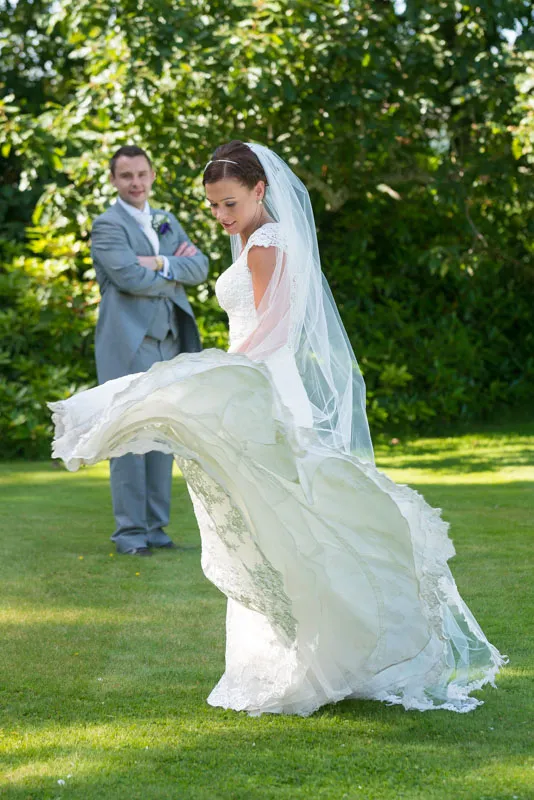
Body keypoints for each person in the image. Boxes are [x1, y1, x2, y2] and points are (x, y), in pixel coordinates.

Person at [50, 141, 505, 715]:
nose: (221, 216)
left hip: (263, 383)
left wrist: (218, 372)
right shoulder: (245, 234)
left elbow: (275, 329)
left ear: (261, 190)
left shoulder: (267, 241)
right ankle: (281, 655)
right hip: (247, 376)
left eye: (230, 203)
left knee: (282, 519)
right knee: (258, 521)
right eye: (214, 205)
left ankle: (320, 655)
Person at [91, 145, 209, 556]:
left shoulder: (166, 221)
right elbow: (128, 278)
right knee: (127, 438)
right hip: (128, 344)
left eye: (142, 174)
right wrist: (170, 267)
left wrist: (156, 263)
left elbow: (201, 267)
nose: (136, 183)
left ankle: (157, 528)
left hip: (171, 341)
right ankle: (130, 534)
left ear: (152, 174)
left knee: (162, 434)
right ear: (114, 180)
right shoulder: (106, 226)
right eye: (127, 176)